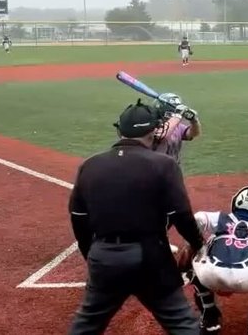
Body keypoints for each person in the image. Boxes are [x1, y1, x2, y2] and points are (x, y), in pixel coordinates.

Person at [67, 99, 204, 334]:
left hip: (105, 256)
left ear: (120, 130)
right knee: (182, 324)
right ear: (154, 130)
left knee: (86, 326)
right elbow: (180, 214)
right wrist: (198, 244)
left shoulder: (89, 166)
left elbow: (78, 217)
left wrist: (92, 254)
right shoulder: (164, 164)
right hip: (151, 256)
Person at [174, 186, 248, 334]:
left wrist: (194, 243)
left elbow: (197, 218)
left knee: (199, 249)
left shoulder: (220, 218)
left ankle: (209, 317)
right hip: (247, 280)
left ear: (234, 204)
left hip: (210, 276)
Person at [153, 92, 201, 165]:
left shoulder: (177, 126)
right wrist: (177, 116)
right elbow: (161, 135)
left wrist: (194, 121)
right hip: (155, 168)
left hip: (173, 168)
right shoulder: (152, 125)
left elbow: (193, 134)